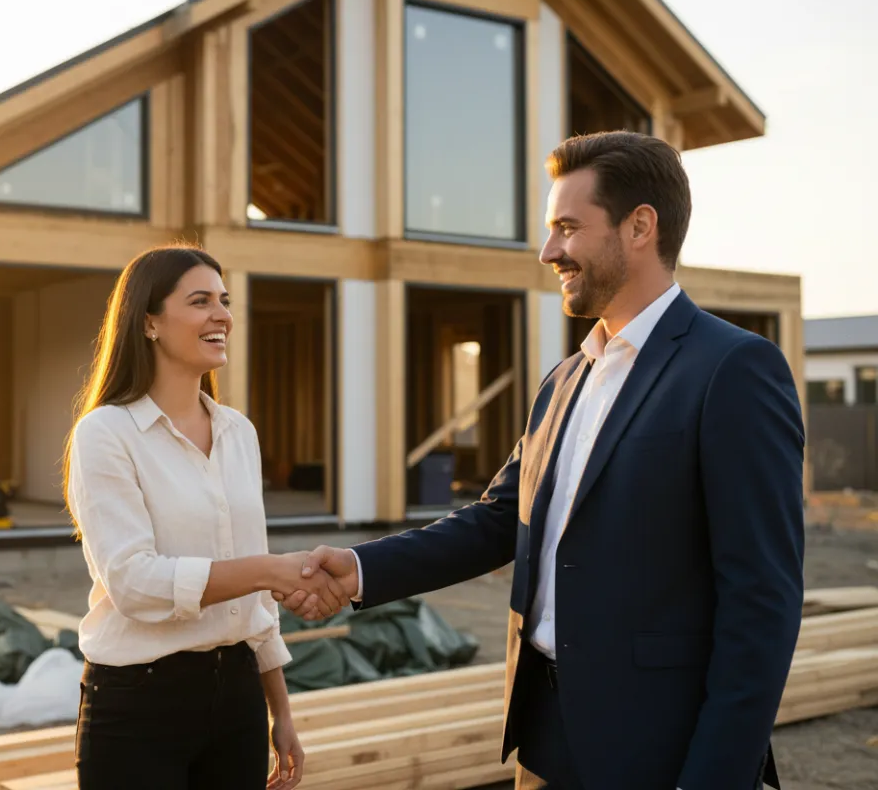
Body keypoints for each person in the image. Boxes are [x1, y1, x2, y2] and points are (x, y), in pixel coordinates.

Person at [278, 132, 805, 789]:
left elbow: (763, 604)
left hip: (659, 750)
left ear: (640, 226)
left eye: (566, 228)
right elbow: (497, 521)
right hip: (544, 744)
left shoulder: (733, 370)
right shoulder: (563, 382)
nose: (548, 251)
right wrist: (357, 569)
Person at [65, 245, 348, 789]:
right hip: (137, 706)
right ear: (148, 321)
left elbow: (254, 605)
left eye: (224, 301)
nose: (222, 315)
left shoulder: (239, 432)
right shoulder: (105, 434)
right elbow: (132, 582)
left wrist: (280, 712)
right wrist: (267, 569)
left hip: (238, 699)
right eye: (201, 302)